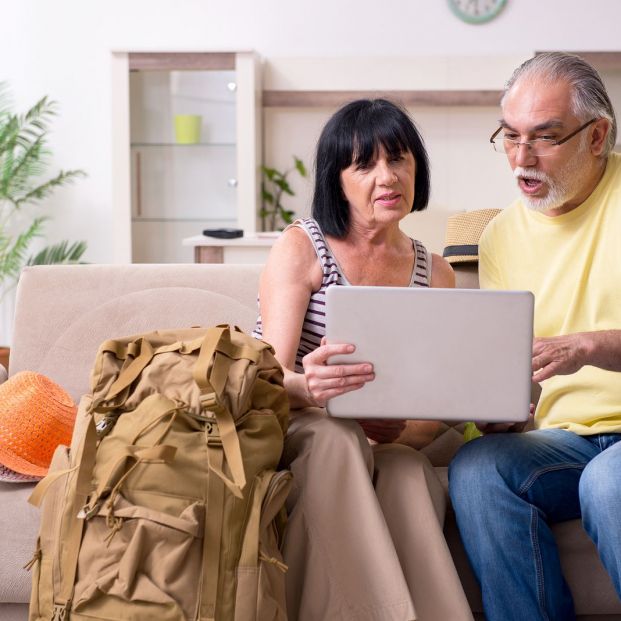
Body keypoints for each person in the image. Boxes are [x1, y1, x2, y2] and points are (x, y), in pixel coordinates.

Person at [254, 99, 473, 621]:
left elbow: (432, 411)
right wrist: (315, 390)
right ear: (337, 178)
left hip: (377, 438)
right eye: (365, 165)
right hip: (299, 420)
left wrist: (399, 430)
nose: (388, 176)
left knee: (407, 472)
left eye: (399, 159)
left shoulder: (434, 272)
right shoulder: (302, 246)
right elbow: (267, 373)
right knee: (338, 436)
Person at [449, 52, 621, 621]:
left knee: (608, 482)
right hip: (564, 441)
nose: (521, 158)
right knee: (477, 467)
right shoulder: (500, 236)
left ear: (597, 136)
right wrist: (504, 411)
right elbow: (514, 374)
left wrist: (589, 346)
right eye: (510, 136)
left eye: (544, 138)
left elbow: (576, 349)